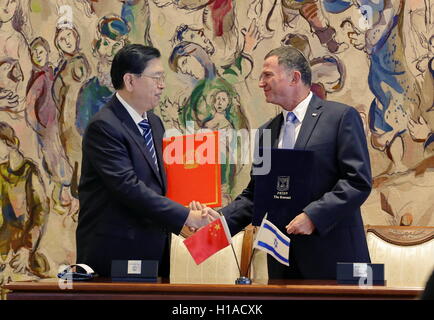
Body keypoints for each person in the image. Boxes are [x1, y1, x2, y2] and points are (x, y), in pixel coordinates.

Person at [193, 46, 372, 279]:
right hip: (283, 265)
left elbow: (357, 181)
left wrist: (313, 217)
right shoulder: (267, 131)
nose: (260, 83)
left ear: (294, 77)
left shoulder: (340, 118)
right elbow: (256, 196)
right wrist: (216, 223)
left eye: (268, 75)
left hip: (334, 257)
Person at [76, 44, 218, 277]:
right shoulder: (104, 127)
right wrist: (185, 216)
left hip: (154, 247)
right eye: (156, 78)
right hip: (116, 252)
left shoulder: (153, 123)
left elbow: (159, 183)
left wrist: (189, 206)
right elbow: (128, 187)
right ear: (130, 81)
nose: (162, 85)